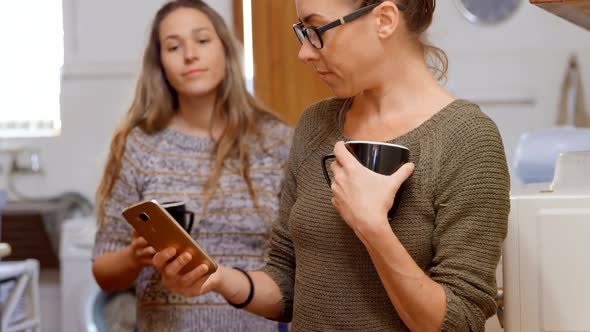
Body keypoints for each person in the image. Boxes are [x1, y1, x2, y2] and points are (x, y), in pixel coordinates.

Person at [153, 0, 510, 331]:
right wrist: (219, 279)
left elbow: (460, 320)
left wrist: (372, 227)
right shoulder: (315, 125)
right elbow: (286, 280)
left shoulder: (468, 140)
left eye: (317, 30)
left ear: (384, 20)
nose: (304, 52)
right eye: (302, 32)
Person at [91, 0, 292, 331]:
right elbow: (103, 272)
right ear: (161, 64)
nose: (190, 55)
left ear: (225, 50)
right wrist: (134, 256)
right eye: (173, 46)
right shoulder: (139, 145)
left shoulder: (277, 142)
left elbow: (295, 268)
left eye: (202, 40)